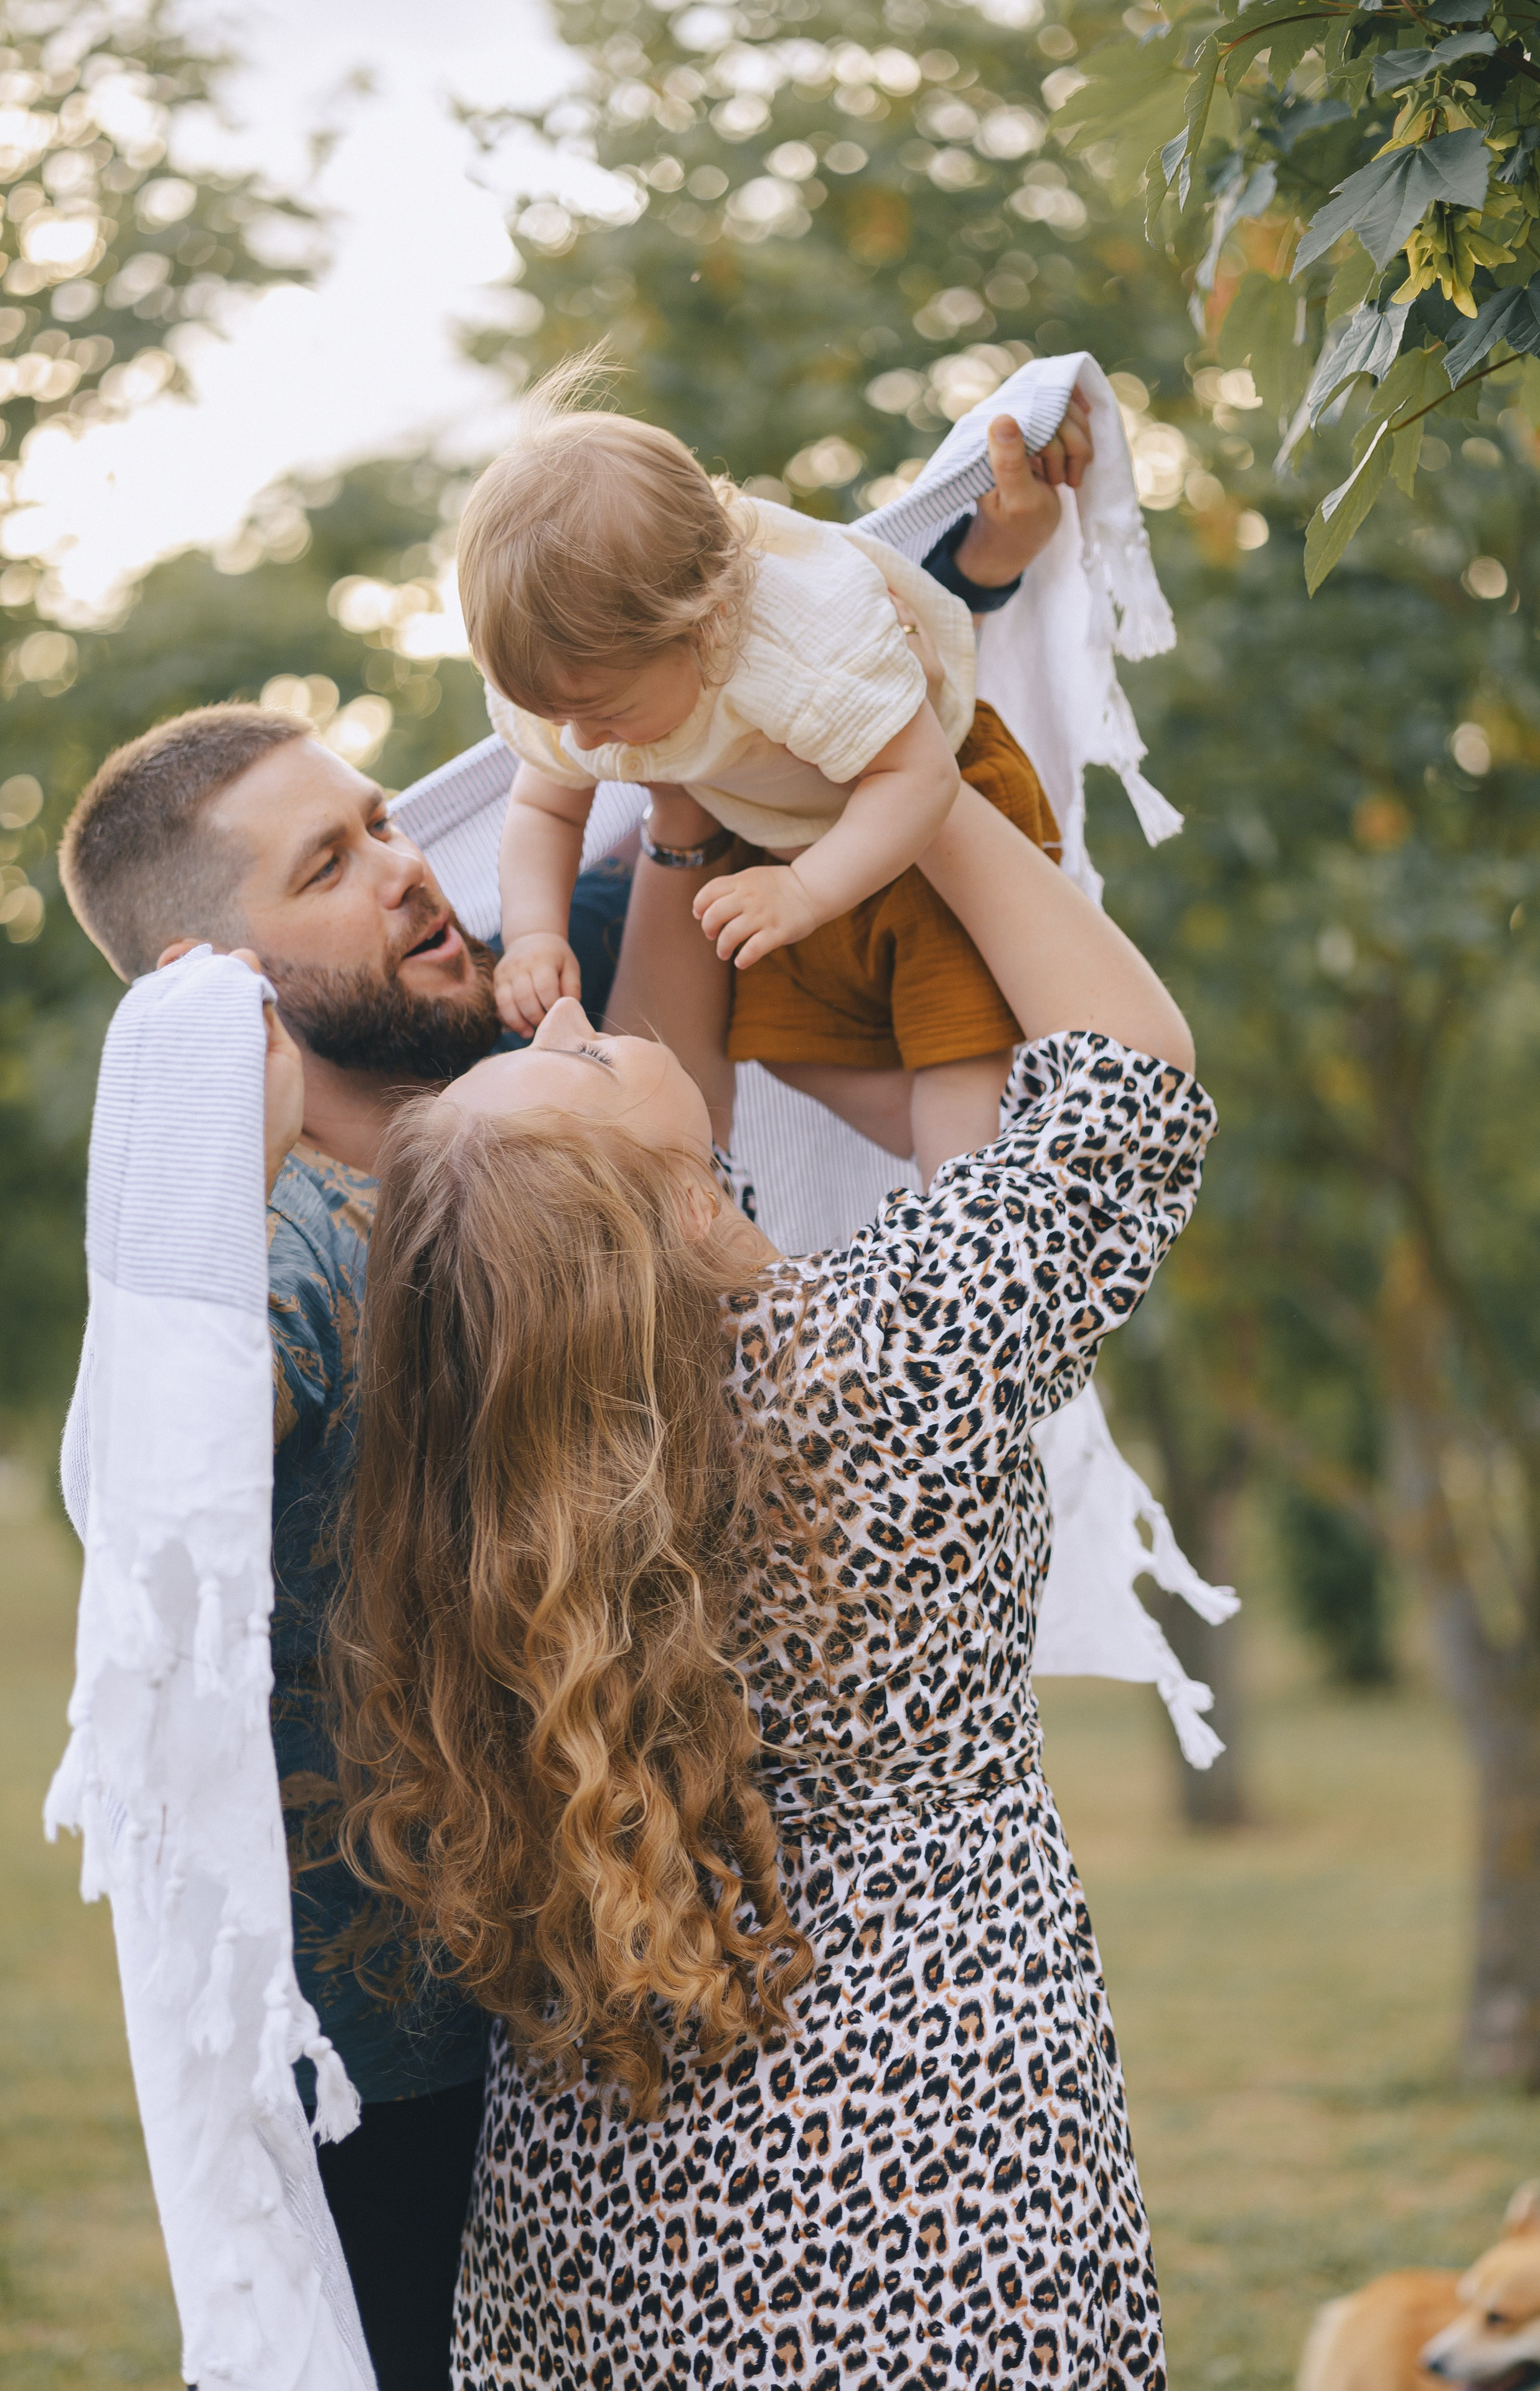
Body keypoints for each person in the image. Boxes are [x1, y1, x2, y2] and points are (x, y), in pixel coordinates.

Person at [50, 458, 1061, 2391]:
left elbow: (735, 715)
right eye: (329, 868)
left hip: (650, 2011)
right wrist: (206, 1160)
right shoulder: (266, 1270)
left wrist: (968, 564)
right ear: (216, 988)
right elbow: (153, 1507)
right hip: (406, 2061)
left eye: (378, 820)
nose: (409, 867)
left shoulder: (540, 1069)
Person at [326, 766, 1210, 2387]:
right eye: (572, 1070)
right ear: (641, 1222)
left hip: (608, 2156)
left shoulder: (497, 1458)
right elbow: (1131, 1089)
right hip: (922, 2107)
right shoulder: (878, 1353)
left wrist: (676, 821)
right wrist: (916, 778)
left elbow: (676, 1097)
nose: (567, 1024)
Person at [459, 367, 1091, 1179]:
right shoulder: (573, 688)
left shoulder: (802, 645)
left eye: (604, 710)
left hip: (925, 820)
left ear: (708, 624)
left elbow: (918, 777)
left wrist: (808, 892)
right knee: (778, 1037)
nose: (583, 740)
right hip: (778, 841)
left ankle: (965, 1219)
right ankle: (1005, 1139)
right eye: (554, 715)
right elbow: (546, 809)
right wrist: (535, 932)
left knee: (953, 1054)